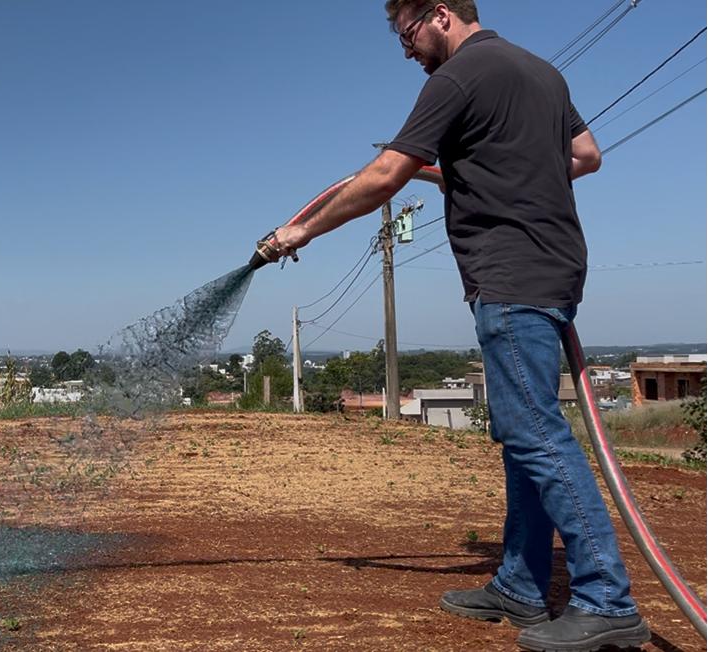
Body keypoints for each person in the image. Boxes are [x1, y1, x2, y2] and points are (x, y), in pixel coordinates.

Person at [262, 2, 651, 650]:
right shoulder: (539, 72)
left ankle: (606, 599)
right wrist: (482, 171)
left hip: (511, 277)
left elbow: (386, 174)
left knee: (538, 435)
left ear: (440, 14)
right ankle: (522, 586)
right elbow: (584, 155)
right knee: (524, 433)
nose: (407, 50)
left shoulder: (459, 77)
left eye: (407, 33)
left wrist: (300, 229)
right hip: (551, 268)